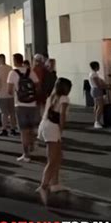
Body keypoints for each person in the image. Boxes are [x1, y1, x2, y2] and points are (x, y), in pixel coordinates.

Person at [36, 77, 72, 205]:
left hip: (45, 125)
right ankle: (44, 186)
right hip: (53, 127)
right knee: (53, 159)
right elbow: (62, 115)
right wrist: (61, 130)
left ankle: (55, 183)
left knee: (57, 156)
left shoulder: (51, 97)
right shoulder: (64, 99)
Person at [7, 53, 40, 162]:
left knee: (23, 130)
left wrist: (17, 93)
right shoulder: (30, 71)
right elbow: (38, 85)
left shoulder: (12, 73)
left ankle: (26, 155)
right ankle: (32, 144)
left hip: (20, 105)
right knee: (31, 128)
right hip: (32, 104)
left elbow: (9, 91)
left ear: (15, 61)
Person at [0, 54, 17, 137]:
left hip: (1, 94)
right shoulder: (10, 68)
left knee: (4, 113)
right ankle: (13, 129)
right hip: (11, 94)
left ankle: (4, 129)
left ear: (0, 59)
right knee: (12, 112)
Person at [89, 61, 108, 129]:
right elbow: (98, 85)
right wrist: (107, 87)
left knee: (97, 106)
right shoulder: (94, 74)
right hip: (96, 90)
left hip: (95, 90)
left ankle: (97, 120)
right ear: (96, 67)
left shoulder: (93, 73)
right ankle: (97, 121)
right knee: (100, 106)